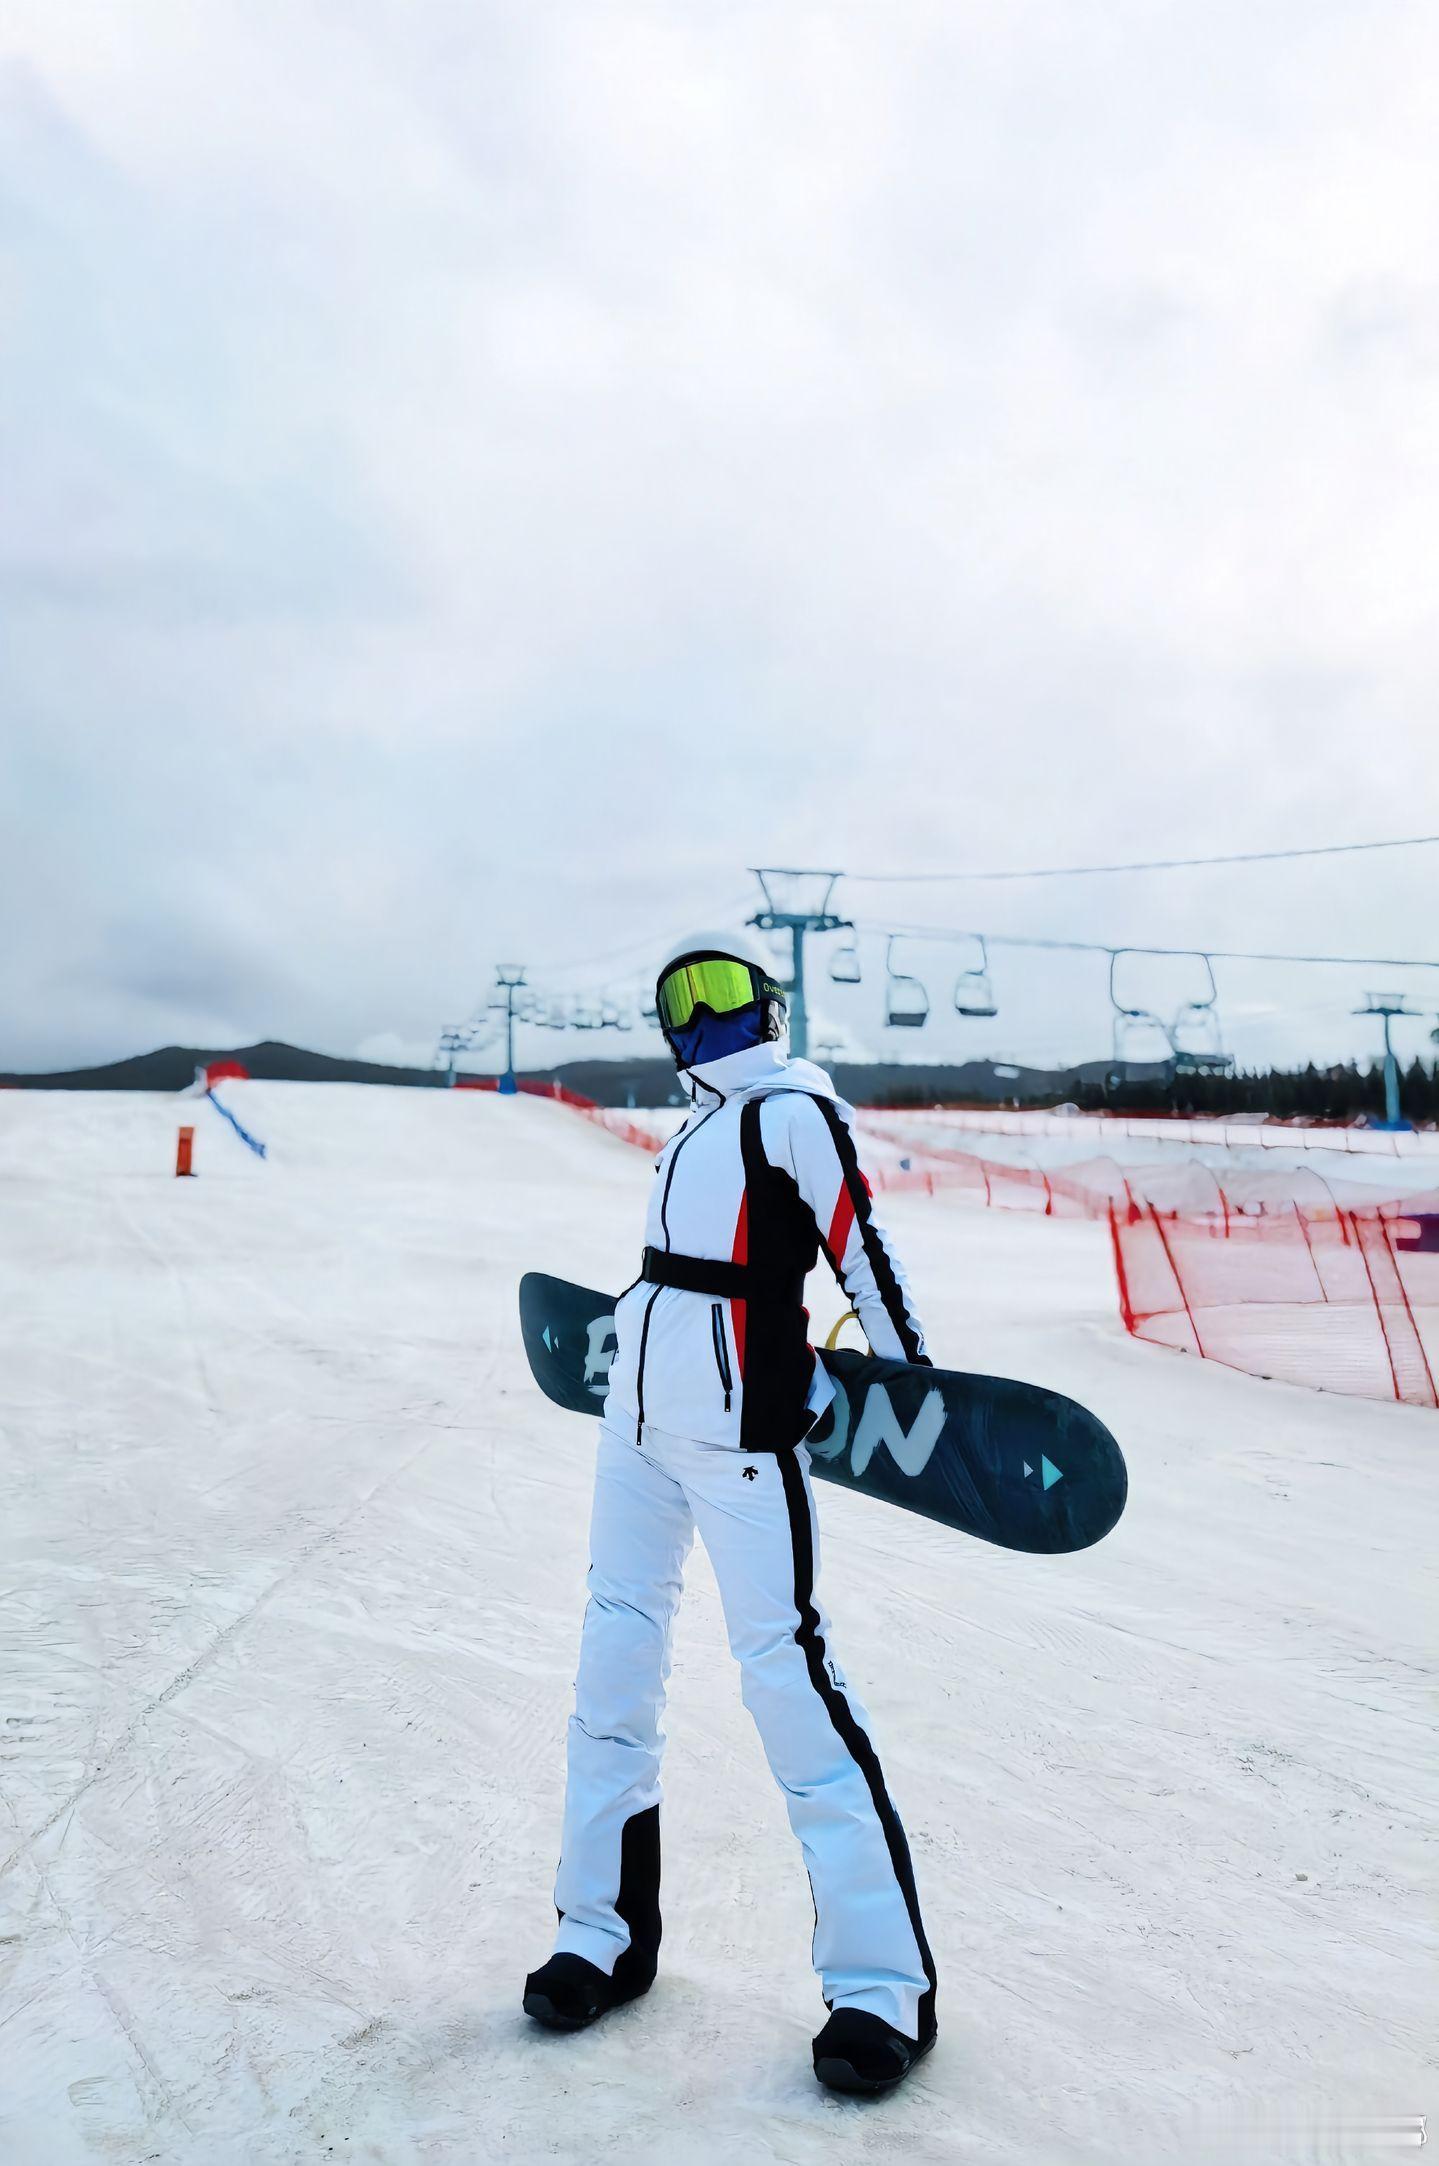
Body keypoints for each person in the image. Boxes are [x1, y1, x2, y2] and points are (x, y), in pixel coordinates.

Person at [523, 932, 938, 2095]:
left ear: (769, 1005)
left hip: (743, 1441)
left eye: (721, 988)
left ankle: (879, 1989)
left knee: (788, 1684)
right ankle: (600, 1935)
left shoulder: (792, 1111)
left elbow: (862, 1253)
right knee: (611, 1669)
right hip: (635, 1432)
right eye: (680, 996)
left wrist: (917, 1388)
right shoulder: (691, 1130)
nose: (701, 1013)